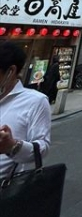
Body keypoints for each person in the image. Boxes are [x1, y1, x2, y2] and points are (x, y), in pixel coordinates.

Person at [0, 41, 51, 179]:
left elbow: (42, 148)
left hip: (5, 186)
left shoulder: (36, 101)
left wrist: (12, 146)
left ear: (11, 71)